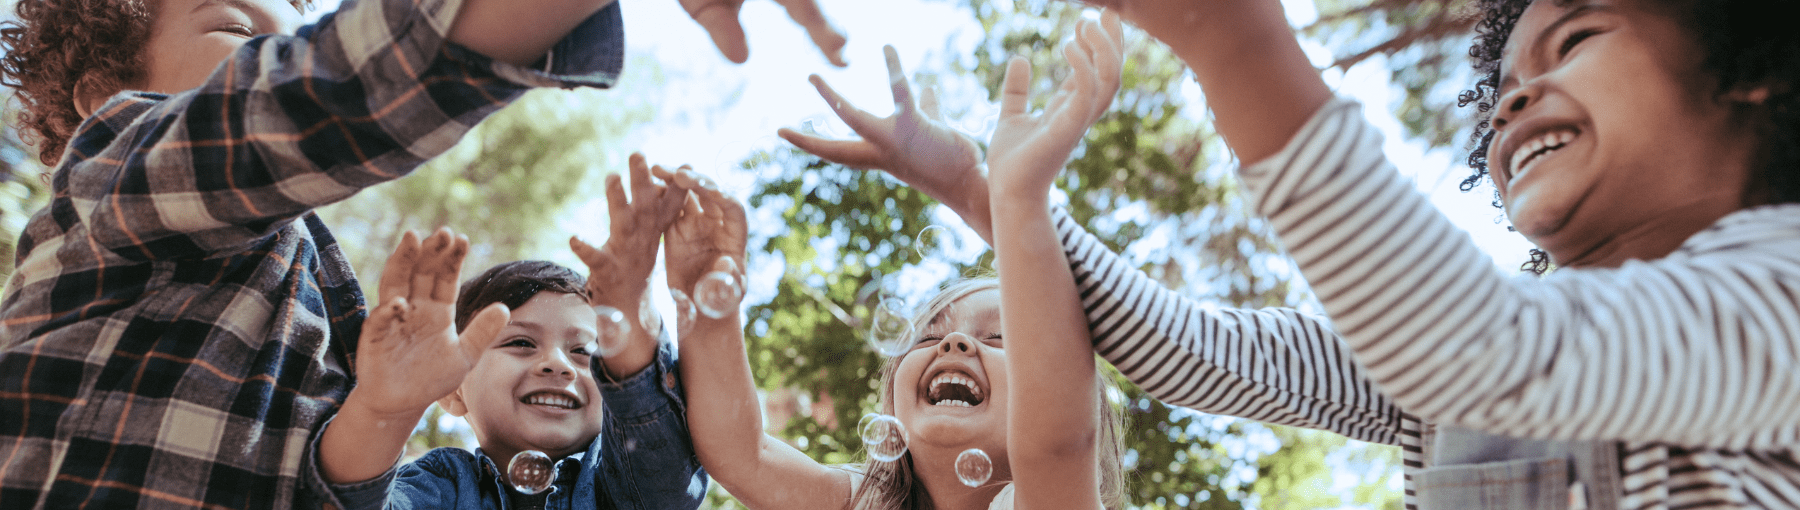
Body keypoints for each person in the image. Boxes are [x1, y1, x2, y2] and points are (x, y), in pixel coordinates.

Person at [780, 0, 1800, 508]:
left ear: (1746, 65)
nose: (1518, 97)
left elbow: (1493, 349)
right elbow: (1192, 351)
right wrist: (988, 190)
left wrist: (1240, 48)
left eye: (1574, 40)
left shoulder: (1785, 287)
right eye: (1504, 85)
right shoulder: (1443, 377)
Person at [0, 0, 844, 507]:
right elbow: (315, 101)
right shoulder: (116, 173)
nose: (277, 47)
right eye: (237, 28)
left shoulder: (314, 285)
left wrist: (383, 408)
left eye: (294, 26)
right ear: (100, 95)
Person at [672, 16, 1130, 510]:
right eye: (928, 336)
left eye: (1000, 337)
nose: (954, 343)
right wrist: (708, 301)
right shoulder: (862, 501)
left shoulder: (1054, 495)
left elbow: (1061, 440)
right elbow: (744, 453)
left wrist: (1001, 195)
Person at [311, 155, 702, 509]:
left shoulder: (625, 484)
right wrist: (387, 412)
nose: (556, 364)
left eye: (585, 352)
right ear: (452, 389)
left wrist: (631, 310)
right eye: (520, 342)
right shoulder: (441, 484)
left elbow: (660, 464)